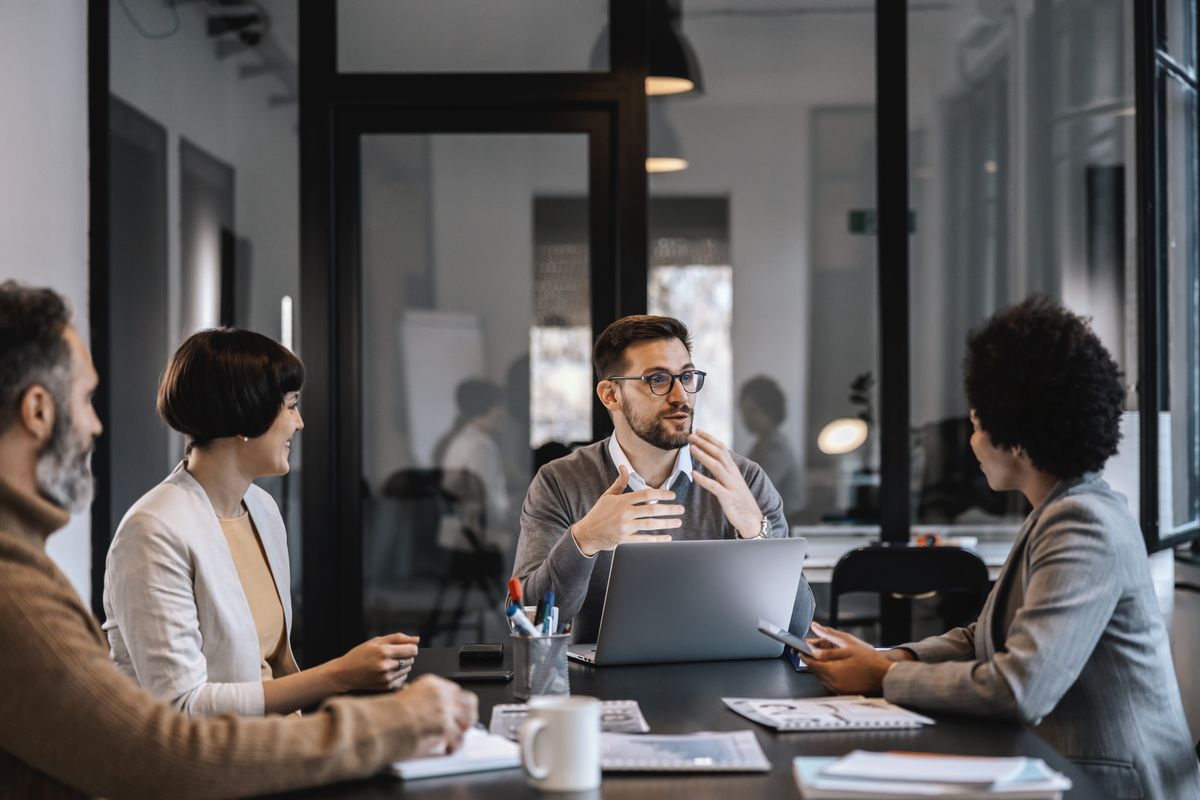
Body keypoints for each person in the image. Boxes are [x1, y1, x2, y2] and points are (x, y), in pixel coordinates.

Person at [0, 281, 476, 797]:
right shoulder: (111, 549)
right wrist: (369, 707)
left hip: (269, 761)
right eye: (87, 399)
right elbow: (169, 740)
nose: (95, 424)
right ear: (39, 411)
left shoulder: (262, 510)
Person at [802, 296, 1200, 800]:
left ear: (1014, 435)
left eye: (976, 423)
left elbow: (1020, 688)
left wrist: (884, 674)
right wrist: (890, 653)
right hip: (1058, 769)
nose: (971, 441)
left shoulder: (1083, 522)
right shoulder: (1058, 509)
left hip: (1110, 786)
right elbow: (981, 638)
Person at [102, 329, 424, 717]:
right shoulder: (152, 531)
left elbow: (271, 668)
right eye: (290, 406)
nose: (299, 422)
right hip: (205, 768)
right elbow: (182, 707)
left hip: (273, 747)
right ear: (246, 413)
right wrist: (340, 675)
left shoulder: (262, 508)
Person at [512, 315, 815, 643]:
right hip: (605, 686)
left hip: (722, 681)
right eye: (657, 379)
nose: (680, 396)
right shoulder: (560, 482)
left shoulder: (744, 480)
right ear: (611, 395)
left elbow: (795, 628)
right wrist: (584, 540)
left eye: (686, 377)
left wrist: (754, 530)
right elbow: (526, 625)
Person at [433, 378, 511, 554]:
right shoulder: (481, 445)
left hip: (455, 534)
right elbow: (488, 503)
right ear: (490, 408)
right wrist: (511, 517)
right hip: (474, 536)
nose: (505, 413)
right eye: (500, 406)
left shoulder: (459, 440)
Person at [739, 375, 804, 518]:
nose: (745, 418)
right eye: (744, 411)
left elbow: (758, 490)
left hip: (786, 524)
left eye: (752, 411)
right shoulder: (761, 444)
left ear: (769, 410)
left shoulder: (776, 447)